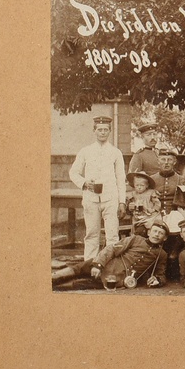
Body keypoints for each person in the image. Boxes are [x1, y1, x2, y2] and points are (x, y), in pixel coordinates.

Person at [68, 115, 127, 261]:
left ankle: (111, 265)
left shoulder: (115, 152)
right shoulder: (85, 151)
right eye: (100, 129)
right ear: (94, 131)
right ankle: (89, 265)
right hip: (91, 198)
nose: (102, 132)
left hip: (110, 198)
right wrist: (84, 183)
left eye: (106, 130)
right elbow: (73, 172)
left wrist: (122, 202)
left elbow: (121, 179)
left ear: (110, 131)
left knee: (112, 234)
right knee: (92, 233)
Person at [52, 220, 172, 290]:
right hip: (107, 264)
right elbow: (112, 249)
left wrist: (157, 280)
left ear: (165, 238)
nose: (157, 235)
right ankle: (52, 278)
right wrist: (98, 264)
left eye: (161, 233)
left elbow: (160, 273)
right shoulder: (135, 239)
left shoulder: (162, 255)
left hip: (118, 279)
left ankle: (56, 287)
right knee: (78, 268)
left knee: (81, 284)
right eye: (155, 231)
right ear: (149, 232)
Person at [124, 171, 162, 237]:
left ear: (147, 185)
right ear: (134, 185)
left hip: (150, 216)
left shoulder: (151, 193)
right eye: (137, 185)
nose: (139, 187)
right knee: (138, 231)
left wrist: (153, 210)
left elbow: (157, 203)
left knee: (150, 229)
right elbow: (129, 209)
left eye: (142, 185)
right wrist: (130, 207)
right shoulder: (133, 194)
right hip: (138, 218)